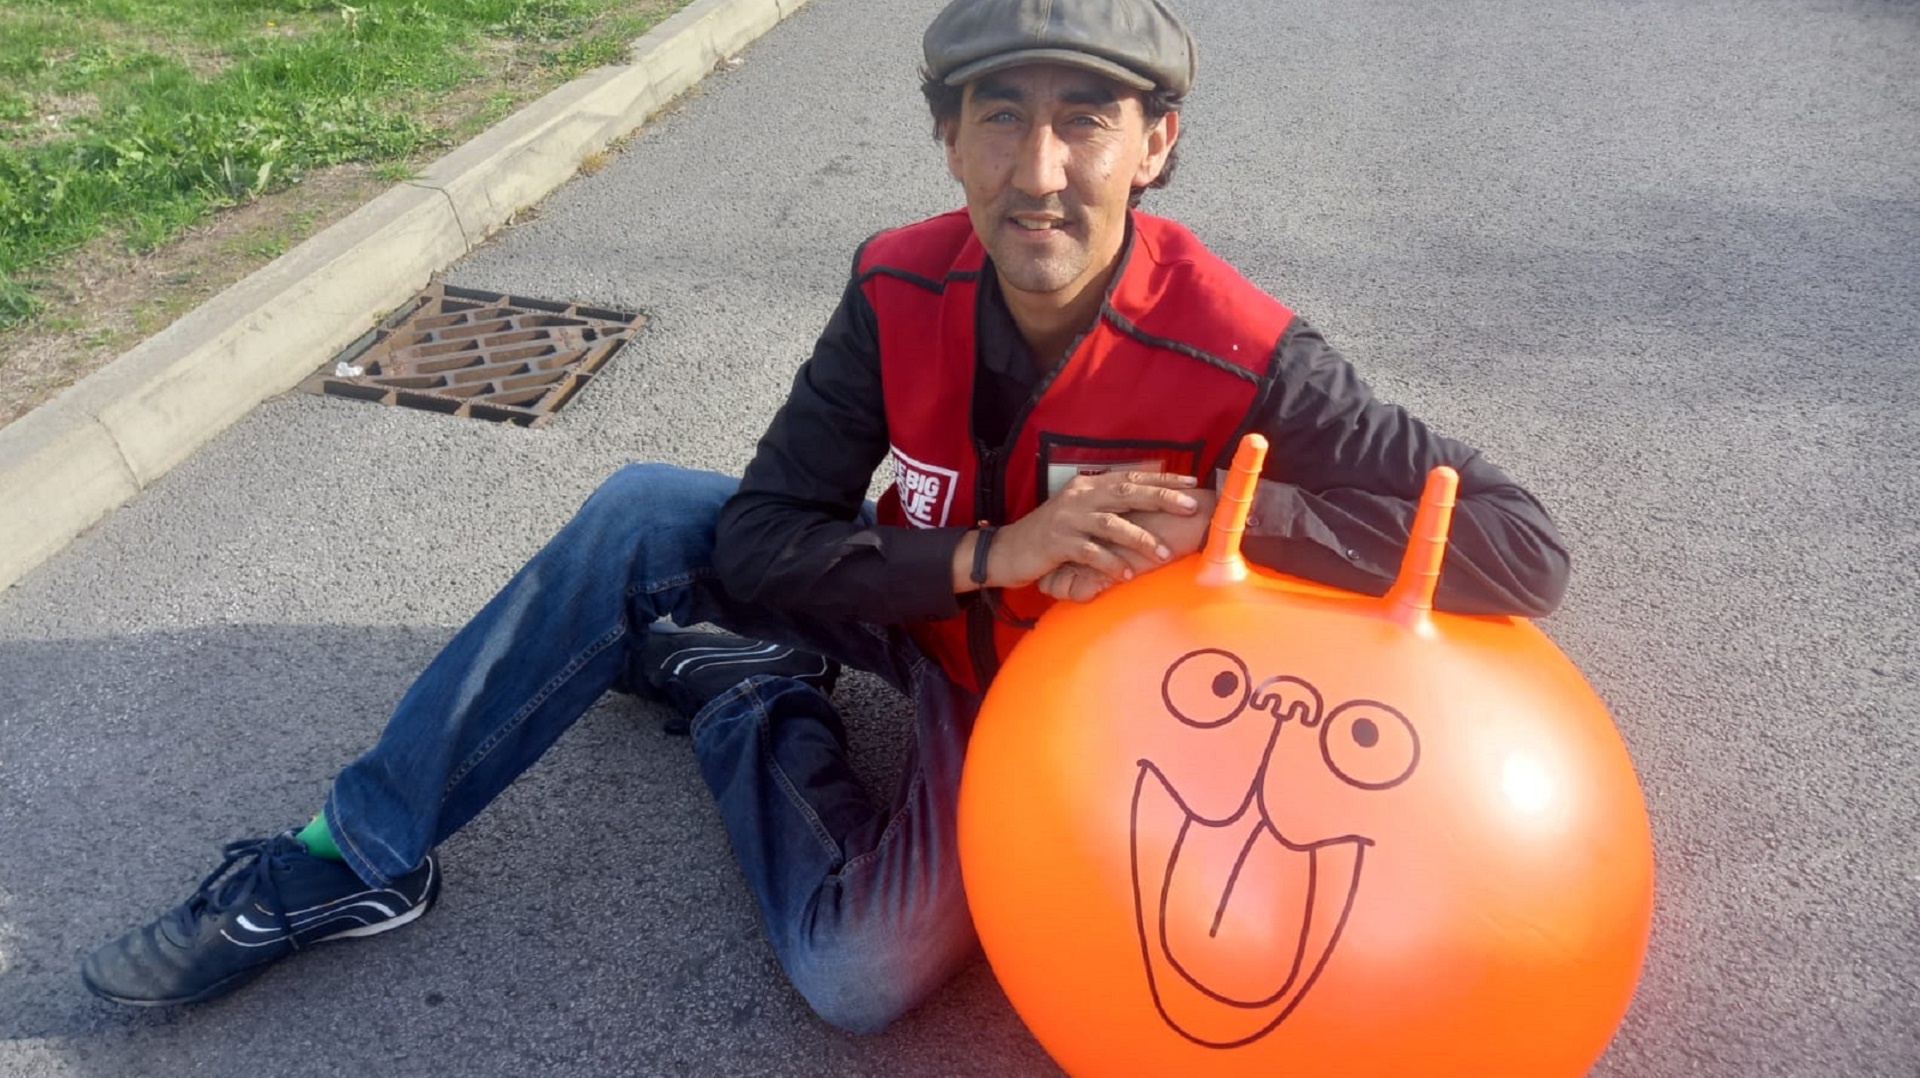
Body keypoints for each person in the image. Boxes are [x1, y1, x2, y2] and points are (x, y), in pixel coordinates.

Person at [80, 0, 1569, 1033]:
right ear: (949, 139)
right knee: (640, 513)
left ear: (1155, 143)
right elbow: (761, 533)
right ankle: (355, 854)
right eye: (1000, 119)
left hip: (1045, 713)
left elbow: (1520, 542)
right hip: (915, 599)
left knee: (857, 978)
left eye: (1086, 123)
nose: (1040, 173)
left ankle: (743, 696)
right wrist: (986, 554)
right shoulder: (897, 280)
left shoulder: (1243, 349)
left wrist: (1232, 518)